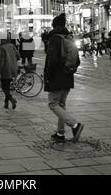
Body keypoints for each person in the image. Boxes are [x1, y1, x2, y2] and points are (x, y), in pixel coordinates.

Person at [44, 13, 83, 143]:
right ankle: (60, 133)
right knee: (61, 105)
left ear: (54, 25)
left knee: (53, 104)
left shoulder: (54, 39)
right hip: (67, 76)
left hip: (57, 76)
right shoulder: (68, 37)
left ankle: (75, 125)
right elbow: (77, 60)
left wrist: (48, 77)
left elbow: (52, 61)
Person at [0, 33, 20, 109]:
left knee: (4, 87)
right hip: (13, 69)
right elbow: (18, 56)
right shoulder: (12, 46)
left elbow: (2, 60)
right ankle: (6, 103)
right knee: (7, 86)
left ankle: (11, 99)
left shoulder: (2, 47)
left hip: (5, 69)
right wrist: (13, 61)